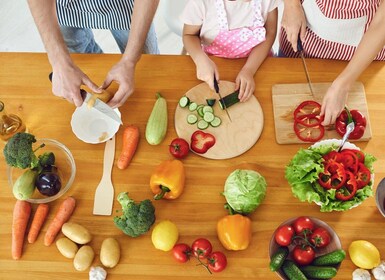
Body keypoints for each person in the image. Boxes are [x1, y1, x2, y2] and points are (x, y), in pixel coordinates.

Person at [27, 0, 160, 108]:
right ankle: (101, 91)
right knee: (84, 62)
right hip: (63, 7)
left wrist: (130, 60)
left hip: (127, 5)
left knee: (147, 65)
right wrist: (59, 62)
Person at [280, 0, 385, 125]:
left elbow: (382, 23)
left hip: (362, 56)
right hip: (305, 35)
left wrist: (344, 84)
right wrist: (291, 5)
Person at [181, 0, 280, 102]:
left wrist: (249, 70)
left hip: (257, 62)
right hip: (213, 64)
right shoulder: (200, 3)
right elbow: (189, 35)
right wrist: (200, 60)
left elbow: (270, 32)